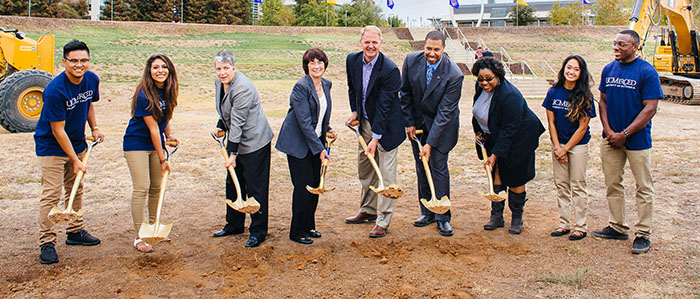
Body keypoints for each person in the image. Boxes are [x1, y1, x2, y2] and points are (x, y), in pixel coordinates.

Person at [34, 40, 105, 264]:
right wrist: (75, 160)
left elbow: (89, 103)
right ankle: (46, 242)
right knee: (52, 194)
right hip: (52, 146)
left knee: (76, 188)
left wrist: (94, 128)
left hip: (77, 142)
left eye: (83, 60)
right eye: (73, 60)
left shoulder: (92, 79)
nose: (79, 64)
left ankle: (75, 232)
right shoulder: (55, 90)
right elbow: (57, 130)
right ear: (64, 62)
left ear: (88, 61)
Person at [592, 30, 662, 254]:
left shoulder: (647, 71)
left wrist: (626, 133)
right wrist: (609, 131)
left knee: (643, 186)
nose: (616, 48)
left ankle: (643, 233)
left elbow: (650, 108)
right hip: (611, 139)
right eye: (615, 43)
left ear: (635, 47)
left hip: (637, 140)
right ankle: (617, 226)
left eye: (622, 44)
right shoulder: (608, 69)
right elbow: (602, 101)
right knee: (613, 184)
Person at [471, 57, 545, 235]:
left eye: (489, 78)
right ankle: (496, 216)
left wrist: (494, 155)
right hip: (495, 137)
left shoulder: (509, 95)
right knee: (496, 173)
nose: (484, 82)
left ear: (498, 76)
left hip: (519, 139)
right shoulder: (480, 88)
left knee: (515, 176)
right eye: (480, 79)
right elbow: (481, 113)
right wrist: (480, 132)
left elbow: (509, 129)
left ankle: (517, 218)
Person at [401, 30, 464, 237]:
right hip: (419, 125)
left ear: (444, 49)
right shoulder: (411, 61)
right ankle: (427, 211)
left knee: (437, 167)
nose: (432, 53)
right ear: (424, 45)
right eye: (428, 48)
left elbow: (445, 113)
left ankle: (443, 216)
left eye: (437, 49)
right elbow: (406, 93)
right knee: (421, 167)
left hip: (442, 127)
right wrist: (409, 122)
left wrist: (429, 143)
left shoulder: (454, 74)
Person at [344, 25, 405, 238]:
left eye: (375, 42)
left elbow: (385, 106)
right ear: (361, 42)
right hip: (365, 122)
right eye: (367, 42)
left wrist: (375, 138)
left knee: (385, 175)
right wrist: (355, 112)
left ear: (381, 43)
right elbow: (353, 88)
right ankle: (367, 210)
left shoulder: (389, 69)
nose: (370, 46)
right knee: (366, 169)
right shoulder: (352, 60)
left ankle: (383, 220)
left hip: (387, 127)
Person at [212, 50, 274, 248]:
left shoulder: (243, 87)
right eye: (219, 69)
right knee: (233, 183)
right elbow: (225, 110)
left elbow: (238, 122)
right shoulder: (219, 83)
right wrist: (221, 126)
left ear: (234, 67)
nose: (222, 73)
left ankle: (258, 231)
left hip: (255, 142)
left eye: (226, 68)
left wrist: (232, 153)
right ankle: (234, 225)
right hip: (238, 139)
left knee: (255, 188)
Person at [276, 48, 335, 245]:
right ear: (306, 66)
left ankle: (309, 225)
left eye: (320, 62)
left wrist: (327, 129)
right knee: (303, 187)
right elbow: (304, 122)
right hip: (298, 143)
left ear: (325, 64)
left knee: (315, 185)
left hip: (315, 141)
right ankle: (296, 231)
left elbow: (321, 114)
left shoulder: (326, 84)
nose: (316, 66)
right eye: (312, 63)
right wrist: (319, 150)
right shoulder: (300, 87)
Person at [123, 54, 179, 253]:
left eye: (164, 67)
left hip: (156, 144)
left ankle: (154, 229)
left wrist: (170, 134)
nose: (160, 71)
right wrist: (163, 158)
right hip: (136, 144)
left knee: (157, 187)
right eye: (155, 67)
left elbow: (165, 117)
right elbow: (153, 128)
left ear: (170, 70)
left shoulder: (168, 90)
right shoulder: (144, 94)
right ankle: (140, 236)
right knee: (142, 187)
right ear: (149, 71)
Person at [543, 55, 596, 241]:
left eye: (576, 69)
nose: (571, 72)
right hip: (558, 144)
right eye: (569, 67)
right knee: (561, 185)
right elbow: (551, 122)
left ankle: (580, 226)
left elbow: (583, 127)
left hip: (578, 146)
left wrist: (566, 150)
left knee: (578, 185)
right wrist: (558, 147)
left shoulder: (585, 96)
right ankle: (564, 224)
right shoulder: (553, 92)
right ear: (563, 69)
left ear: (581, 73)